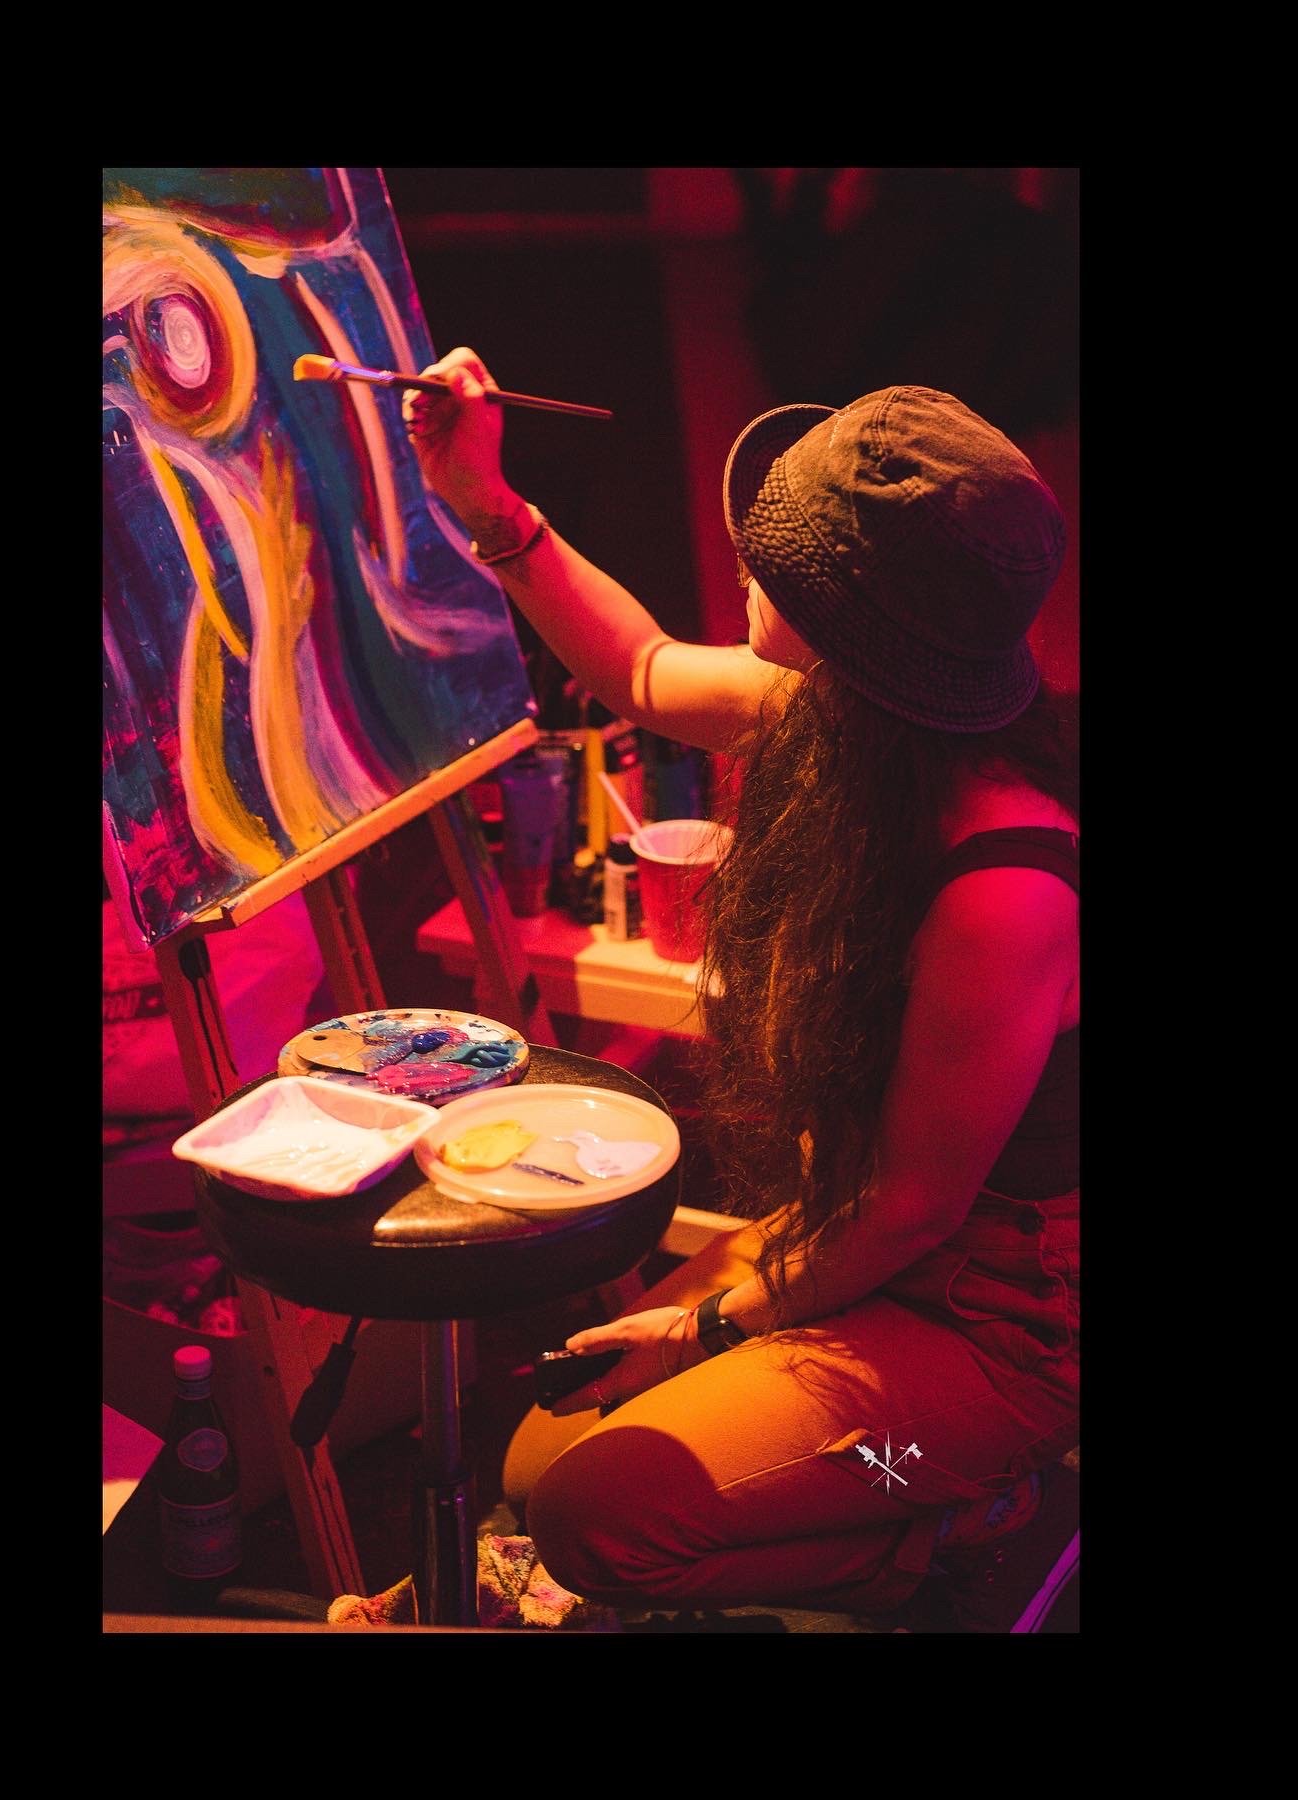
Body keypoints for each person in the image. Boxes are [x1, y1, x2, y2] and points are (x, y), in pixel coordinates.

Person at [402, 350, 1079, 1631]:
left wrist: (703, 1328)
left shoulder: (1006, 884)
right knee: (542, 1453)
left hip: (996, 1318)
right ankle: (891, 1490)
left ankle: (944, 1516)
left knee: (593, 1517)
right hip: (859, 1240)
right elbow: (644, 669)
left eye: (777, 560)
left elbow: (916, 1209)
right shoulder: (850, 717)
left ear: (855, 627)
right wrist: (489, 504)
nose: (745, 565)